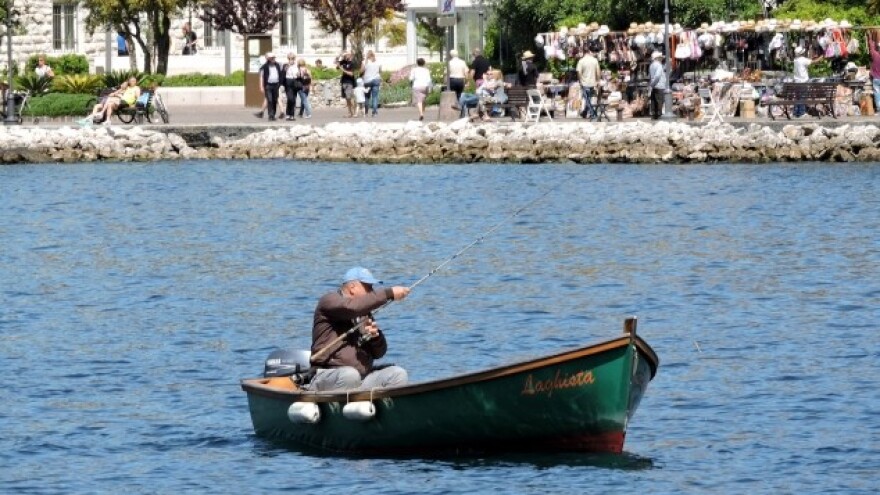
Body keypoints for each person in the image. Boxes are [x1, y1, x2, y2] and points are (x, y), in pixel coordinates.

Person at [307, 267, 410, 392]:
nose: (372, 292)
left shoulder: (364, 313)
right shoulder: (329, 301)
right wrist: (388, 293)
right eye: (368, 287)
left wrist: (375, 338)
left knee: (398, 374)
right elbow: (351, 308)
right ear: (352, 288)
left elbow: (379, 353)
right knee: (350, 375)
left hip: (360, 378)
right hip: (330, 375)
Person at [792, 46, 819, 118]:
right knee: (803, 97)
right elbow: (813, 62)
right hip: (803, 81)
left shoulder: (795, 60)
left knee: (797, 97)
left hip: (797, 81)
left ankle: (796, 112)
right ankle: (801, 113)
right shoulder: (803, 60)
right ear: (802, 53)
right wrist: (821, 58)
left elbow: (809, 61)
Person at [576, 48, 600, 120]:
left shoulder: (581, 61)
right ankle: (585, 112)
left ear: (584, 53)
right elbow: (598, 71)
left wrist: (580, 80)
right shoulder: (595, 60)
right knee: (588, 98)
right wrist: (598, 81)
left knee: (587, 99)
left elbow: (579, 72)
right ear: (590, 52)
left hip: (584, 83)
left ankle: (593, 114)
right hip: (593, 83)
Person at [258, 52, 282, 121]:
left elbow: (281, 73)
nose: (273, 59)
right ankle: (270, 115)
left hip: (276, 85)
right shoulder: (264, 67)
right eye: (272, 58)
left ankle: (273, 115)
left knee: (274, 100)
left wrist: (280, 83)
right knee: (270, 100)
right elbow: (261, 77)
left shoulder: (277, 65)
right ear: (268, 59)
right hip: (268, 85)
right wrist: (261, 86)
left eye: (274, 58)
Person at [409, 57, 432, 121]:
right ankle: (422, 112)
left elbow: (411, 78)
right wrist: (430, 87)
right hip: (425, 86)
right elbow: (429, 80)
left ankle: (421, 114)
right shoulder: (426, 70)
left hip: (417, 86)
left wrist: (411, 83)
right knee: (423, 100)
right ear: (424, 63)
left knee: (419, 101)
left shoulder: (414, 70)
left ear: (417, 63)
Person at [336, 50, 357, 117]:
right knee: (347, 99)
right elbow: (337, 65)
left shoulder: (353, 63)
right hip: (344, 82)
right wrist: (339, 56)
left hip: (349, 82)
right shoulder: (344, 62)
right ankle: (350, 113)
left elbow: (351, 74)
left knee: (350, 97)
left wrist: (343, 70)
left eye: (347, 55)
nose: (345, 56)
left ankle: (354, 112)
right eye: (345, 55)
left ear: (350, 56)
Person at [648, 51, 668, 120]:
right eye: (660, 57)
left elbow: (651, 76)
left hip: (654, 86)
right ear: (658, 58)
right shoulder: (659, 65)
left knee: (654, 101)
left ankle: (654, 115)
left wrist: (652, 85)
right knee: (659, 101)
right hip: (660, 85)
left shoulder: (651, 65)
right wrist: (653, 83)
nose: (661, 59)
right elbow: (657, 76)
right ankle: (659, 116)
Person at [361, 50, 382, 117]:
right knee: (375, 97)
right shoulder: (378, 62)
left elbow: (361, 71)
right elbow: (380, 71)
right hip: (376, 80)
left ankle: (366, 112)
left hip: (367, 81)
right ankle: (374, 113)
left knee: (367, 97)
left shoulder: (365, 62)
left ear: (367, 55)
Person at [282, 53, 299, 121]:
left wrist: (299, 74)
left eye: (292, 58)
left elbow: (298, 74)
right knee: (290, 98)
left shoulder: (296, 66)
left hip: (295, 81)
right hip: (288, 81)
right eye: (289, 58)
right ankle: (288, 114)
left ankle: (292, 115)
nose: (291, 60)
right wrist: (288, 65)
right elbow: (284, 71)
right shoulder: (285, 65)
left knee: (294, 99)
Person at [867, 32, 880, 114]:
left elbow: (871, 48)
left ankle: (879, 109)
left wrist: (870, 37)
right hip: (876, 78)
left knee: (877, 93)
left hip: (876, 78)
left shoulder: (875, 55)